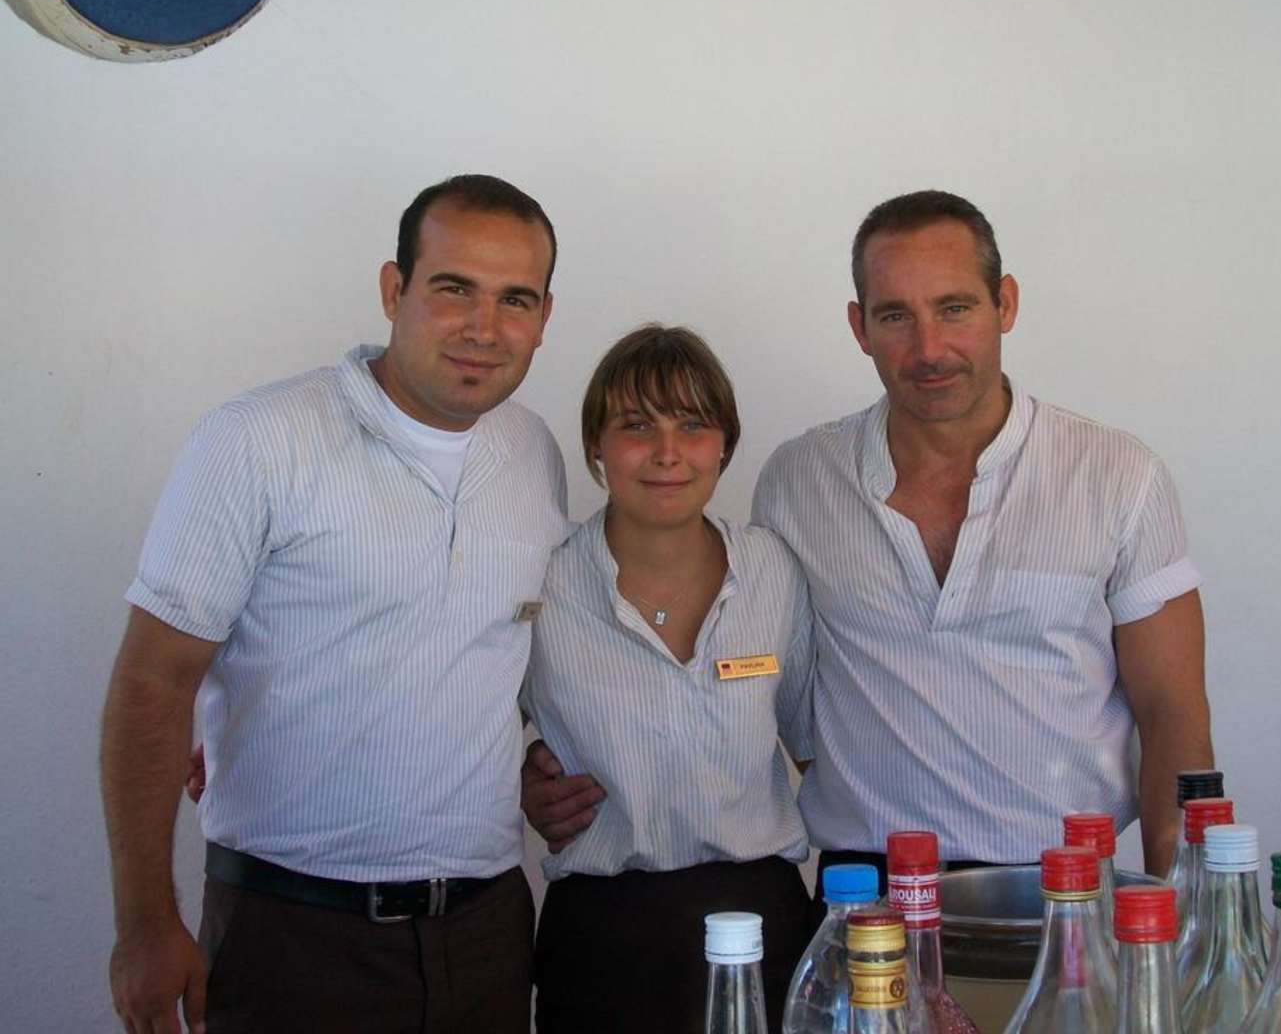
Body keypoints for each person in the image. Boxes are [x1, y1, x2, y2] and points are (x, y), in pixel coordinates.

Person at [526, 190, 1212, 886]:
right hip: (864, 893)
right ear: (859, 326)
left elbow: (1175, 714)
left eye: (955, 308)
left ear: (1004, 303)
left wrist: (1184, 909)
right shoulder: (800, 481)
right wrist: (556, 758)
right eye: (895, 316)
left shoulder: (1119, 476)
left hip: (1068, 887)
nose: (929, 348)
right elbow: (753, 690)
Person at [100, 174, 570, 1034]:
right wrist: (143, 925)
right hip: (291, 935)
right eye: (453, 288)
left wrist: (540, 762)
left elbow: (488, 655)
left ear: (544, 318)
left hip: (488, 933)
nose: (484, 327)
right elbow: (153, 681)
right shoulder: (258, 441)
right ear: (394, 290)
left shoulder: (532, 453)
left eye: (515, 299)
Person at [520, 324, 815, 1033]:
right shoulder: (541, 579)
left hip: (765, 928)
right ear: (595, 444)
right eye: (635, 426)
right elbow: (461, 728)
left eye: (692, 425)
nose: (667, 452)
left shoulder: (774, 570)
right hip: (603, 941)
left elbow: (816, 748)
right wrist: (517, 783)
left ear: (725, 444)